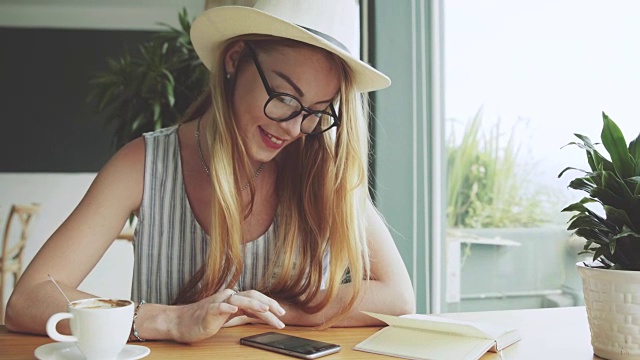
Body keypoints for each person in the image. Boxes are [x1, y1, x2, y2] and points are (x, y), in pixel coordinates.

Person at [5, 0, 415, 343]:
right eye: (285, 97)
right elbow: (29, 299)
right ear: (235, 60)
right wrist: (169, 320)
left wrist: (283, 311)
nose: (294, 128)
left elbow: (397, 295)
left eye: (315, 112)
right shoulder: (143, 163)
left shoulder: (323, 167)